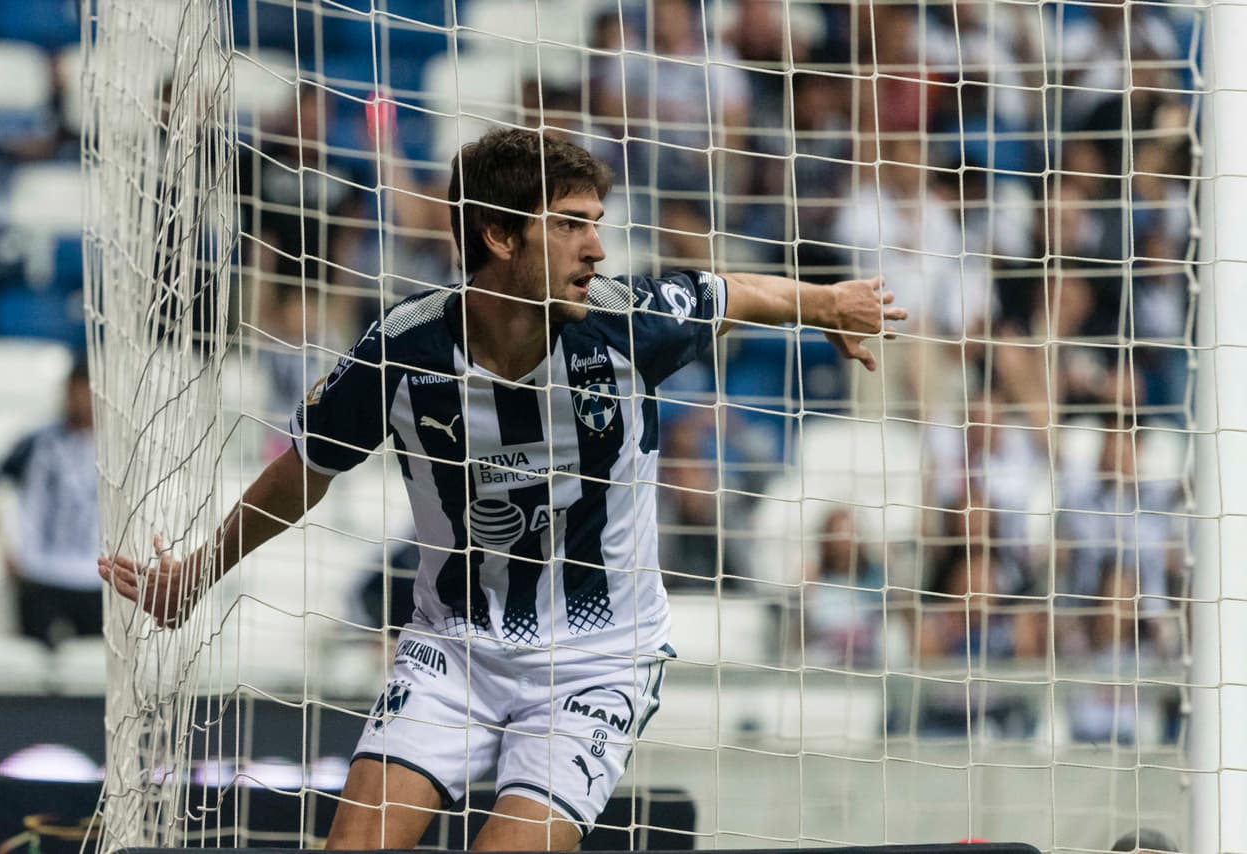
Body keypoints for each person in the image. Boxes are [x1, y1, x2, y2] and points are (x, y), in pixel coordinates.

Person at [99, 127, 906, 851]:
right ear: (498, 235)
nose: (596, 248)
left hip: (597, 662)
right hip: (452, 647)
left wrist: (828, 301)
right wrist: (198, 572)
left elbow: (730, 295)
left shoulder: (626, 324)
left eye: (597, 221)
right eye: (570, 223)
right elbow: (303, 475)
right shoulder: (402, 350)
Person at [0, 359, 100, 646]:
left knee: (94, 669)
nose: (80, 400)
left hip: (93, 576)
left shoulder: (116, 446)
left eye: (86, 392)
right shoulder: (37, 443)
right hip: (40, 573)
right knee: (33, 665)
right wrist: (4, 548)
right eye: (74, 391)